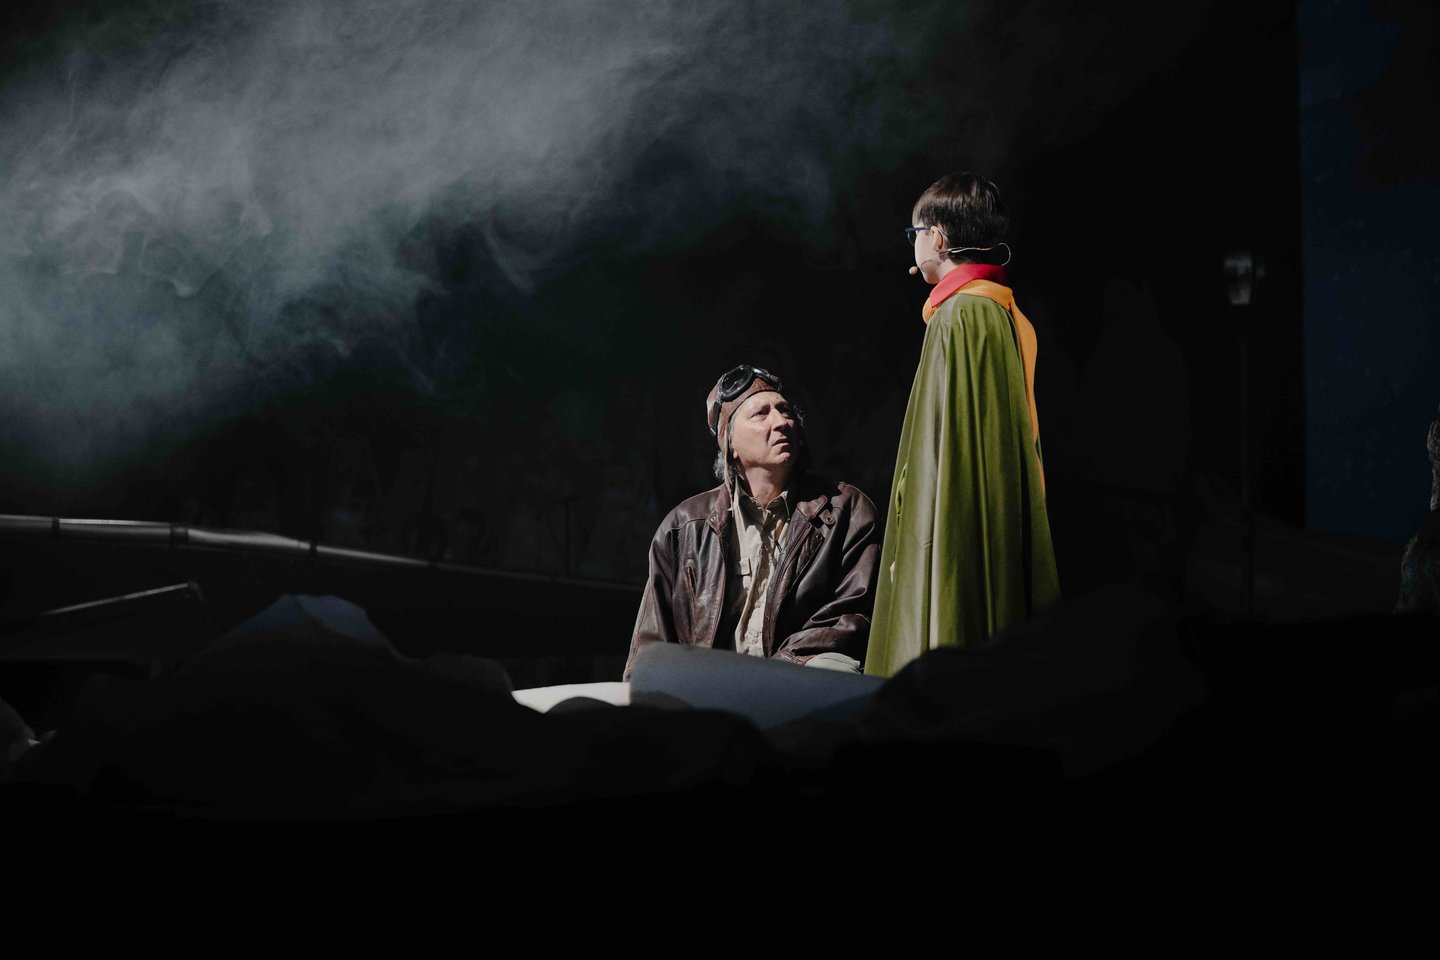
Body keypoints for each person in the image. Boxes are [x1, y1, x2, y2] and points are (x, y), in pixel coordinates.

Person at [864, 172, 1061, 677]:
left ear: (938, 239)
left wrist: (920, 539)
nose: (912, 245)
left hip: (953, 522)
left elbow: (942, 456)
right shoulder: (994, 307)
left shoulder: (961, 315)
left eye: (914, 234)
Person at [625, 365, 880, 679]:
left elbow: (853, 615)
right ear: (730, 444)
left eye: (785, 411)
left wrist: (772, 676)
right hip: (711, 691)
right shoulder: (685, 527)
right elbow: (651, 644)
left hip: (803, 685)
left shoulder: (846, 510)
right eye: (761, 414)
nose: (782, 422)